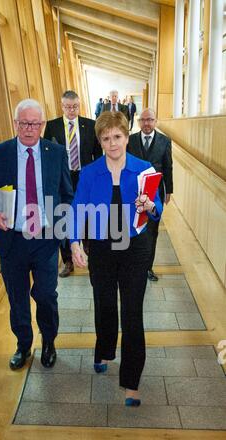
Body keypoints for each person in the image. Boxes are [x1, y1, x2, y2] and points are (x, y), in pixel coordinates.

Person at [69, 111, 162, 406]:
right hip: (102, 249)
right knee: (105, 305)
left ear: (126, 136)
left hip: (136, 248)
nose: (113, 144)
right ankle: (105, 350)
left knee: (132, 314)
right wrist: (74, 243)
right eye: (106, 138)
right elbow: (77, 210)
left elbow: (157, 206)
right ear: (100, 140)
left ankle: (131, 382)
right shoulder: (89, 173)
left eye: (118, 137)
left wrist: (150, 204)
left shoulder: (144, 169)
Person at [0, 99, 73, 370]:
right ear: (15, 124)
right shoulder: (0, 153)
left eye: (34, 123)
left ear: (42, 125)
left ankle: (48, 341)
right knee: (17, 297)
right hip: (12, 240)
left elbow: (66, 193)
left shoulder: (56, 153)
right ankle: (23, 345)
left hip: (45, 238)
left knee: (46, 294)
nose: (29, 129)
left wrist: (62, 230)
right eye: (24, 123)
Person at [44, 90, 102, 277]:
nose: (72, 110)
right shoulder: (52, 127)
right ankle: (68, 261)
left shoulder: (89, 125)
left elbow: (97, 155)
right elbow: (47, 154)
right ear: (62, 106)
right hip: (62, 179)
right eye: (68, 107)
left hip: (84, 177)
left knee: (87, 214)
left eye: (75, 106)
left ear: (79, 105)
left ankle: (88, 253)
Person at [127, 108, 173, 281]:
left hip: (155, 194)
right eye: (143, 120)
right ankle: (132, 265)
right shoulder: (130, 140)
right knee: (135, 227)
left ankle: (147, 268)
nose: (147, 123)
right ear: (139, 122)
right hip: (133, 193)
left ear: (156, 121)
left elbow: (168, 166)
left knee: (152, 231)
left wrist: (169, 189)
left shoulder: (165, 141)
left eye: (150, 119)